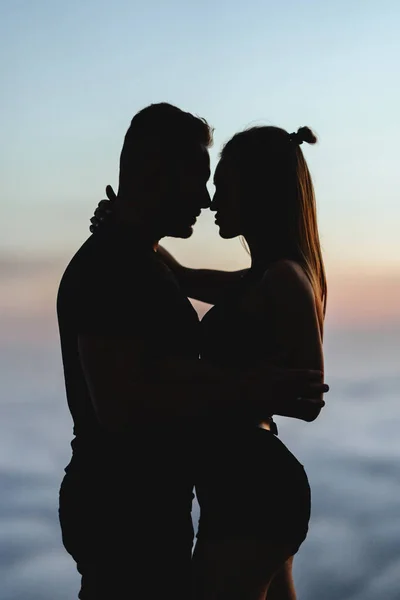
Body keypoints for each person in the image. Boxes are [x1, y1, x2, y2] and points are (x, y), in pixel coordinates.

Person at [59, 103, 328, 600]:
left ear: (259, 193)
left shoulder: (281, 279)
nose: (209, 200)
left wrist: (251, 390)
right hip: (210, 496)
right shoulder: (126, 268)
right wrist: (125, 226)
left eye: (221, 185)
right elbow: (182, 280)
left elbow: (307, 391)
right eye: (205, 181)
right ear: (159, 175)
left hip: (249, 489)